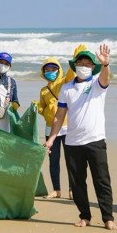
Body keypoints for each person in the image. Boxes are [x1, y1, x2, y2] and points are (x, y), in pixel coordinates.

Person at [45, 44, 116, 229]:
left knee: (101, 180)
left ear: (93, 67)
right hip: (72, 142)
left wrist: (106, 64)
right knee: (77, 183)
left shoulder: (96, 84)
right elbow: (59, 115)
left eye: (88, 63)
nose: (84, 66)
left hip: (95, 140)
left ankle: (108, 218)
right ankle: (85, 216)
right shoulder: (67, 88)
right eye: (80, 62)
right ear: (75, 65)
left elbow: (105, 78)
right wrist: (52, 138)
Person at [35, 51, 79, 199]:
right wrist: (41, 109)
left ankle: (73, 189)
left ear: (59, 70)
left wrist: (74, 61)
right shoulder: (43, 91)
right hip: (50, 128)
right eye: (47, 70)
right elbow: (42, 108)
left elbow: (72, 75)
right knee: (53, 161)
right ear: (43, 72)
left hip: (67, 127)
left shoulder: (65, 82)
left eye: (53, 69)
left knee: (70, 160)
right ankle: (56, 190)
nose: (50, 72)